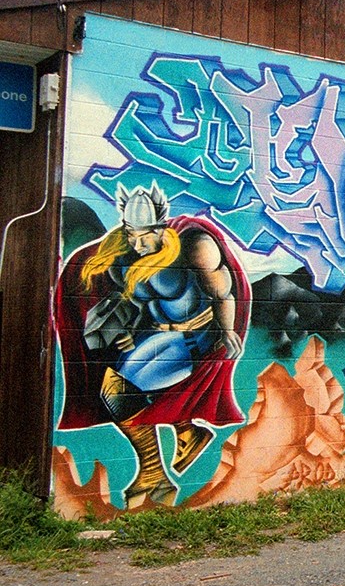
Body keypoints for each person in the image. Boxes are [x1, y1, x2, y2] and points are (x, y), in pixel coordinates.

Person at [55, 183, 249, 508]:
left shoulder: (194, 246)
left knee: (118, 392)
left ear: (161, 227)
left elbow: (222, 293)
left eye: (145, 235)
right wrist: (130, 331)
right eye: (132, 234)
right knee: (112, 388)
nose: (138, 243)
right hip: (157, 335)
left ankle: (154, 470)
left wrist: (228, 331)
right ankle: (184, 438)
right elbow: (139, 306)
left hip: (193, 338)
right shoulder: (124, 258)